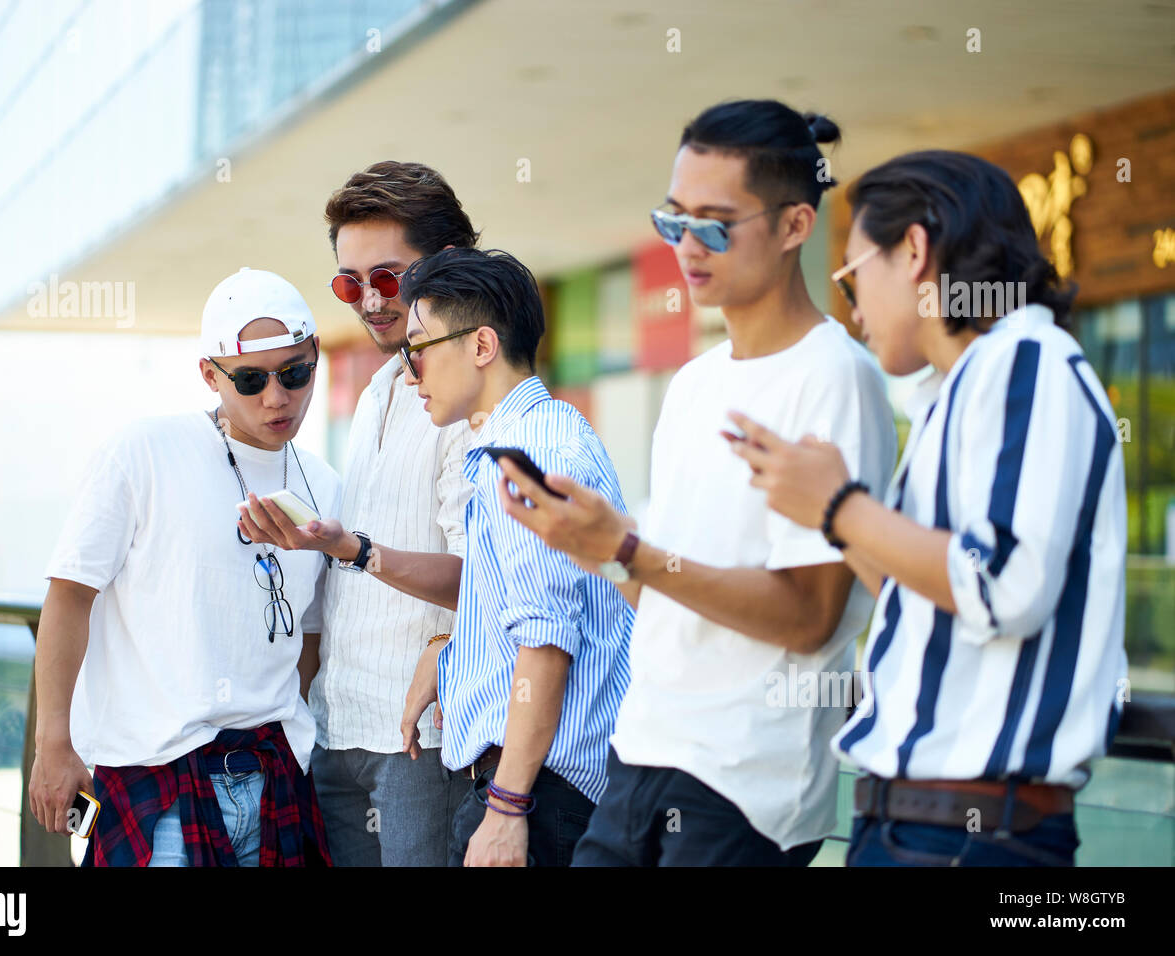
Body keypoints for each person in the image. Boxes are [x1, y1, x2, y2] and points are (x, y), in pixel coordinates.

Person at [495, 99, 897, 866]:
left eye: (715, 223)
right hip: (641, 751)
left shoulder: (835, 377)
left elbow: (812, 616)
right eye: (674, 218)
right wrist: (600, 549)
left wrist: (631, 551)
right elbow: (661, 587)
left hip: (746, 782)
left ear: (793, 226)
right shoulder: (693, 383)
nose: (687, 245)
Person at [728, 150, 1128, 867]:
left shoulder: (1027, 361)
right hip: (922, 824)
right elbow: (927, 599)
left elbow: (1002, 585)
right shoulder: (960, 390)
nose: (851, 313)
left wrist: (842, 505)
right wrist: (827, 508)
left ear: (913, 249)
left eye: (852, 279)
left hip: (966, 830)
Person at [30, 267, 340, 866]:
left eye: (295, 373)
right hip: (160, 781)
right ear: (209, 374)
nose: (277, 397)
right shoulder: (143, 453)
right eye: (250, 379)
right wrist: (53, 742)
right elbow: (69, 595)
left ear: (315, 356)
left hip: (276, 776)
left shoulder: (325, 485)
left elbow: (309, 638)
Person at [238, 161, 477, 866]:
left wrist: (353, 549)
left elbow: (482, 576)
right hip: (336, 728)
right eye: (350, 283)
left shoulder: (472, 401)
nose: (370, 301)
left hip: (418, 743)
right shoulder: (378, 389)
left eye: (388, 277)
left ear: (450, 263)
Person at [397, 246, 634, 867]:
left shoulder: (526, 458)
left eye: (417, 349)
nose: (409, 372)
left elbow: (547, 640)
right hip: (535, 791)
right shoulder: (537, 438)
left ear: (481, 346)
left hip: (535, 796)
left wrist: (506, 809)